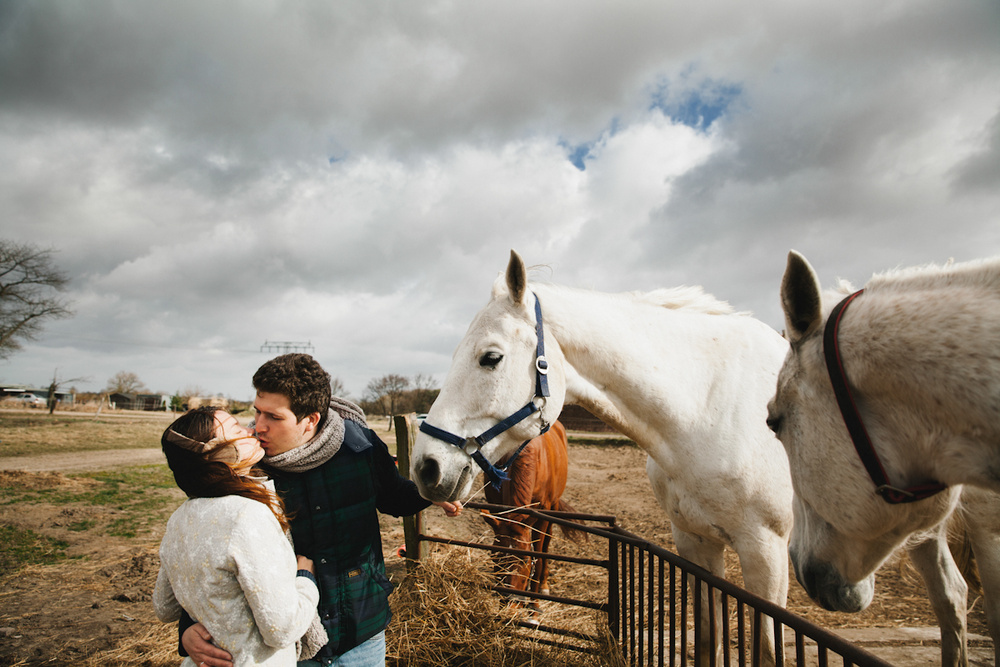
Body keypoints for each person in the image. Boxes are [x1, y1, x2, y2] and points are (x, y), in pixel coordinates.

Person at [182, 353, 462, 667]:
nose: (258, 427)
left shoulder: (361, 448)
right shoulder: (243, 467)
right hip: (281, 648)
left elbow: (394, 496)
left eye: (274, 417)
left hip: (361, 634)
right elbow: (202, 553)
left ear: (311, 419)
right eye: (257, 412)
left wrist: (429, 494)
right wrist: (188, 627)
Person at [154, 406, 321, 666]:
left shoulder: (178, 518)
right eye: (236, 429)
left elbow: (164, 608)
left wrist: (196, 627)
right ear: (216, 454)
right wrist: (306, 580)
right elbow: (282, 629)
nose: (250, 429)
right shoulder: (247, 516)